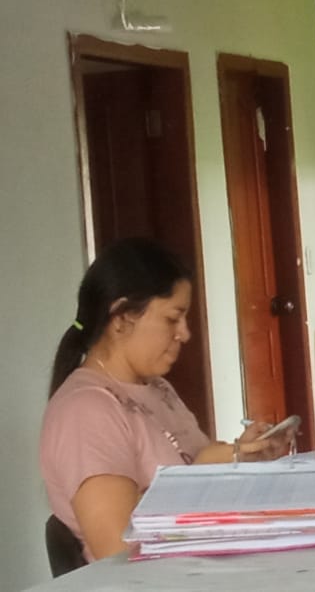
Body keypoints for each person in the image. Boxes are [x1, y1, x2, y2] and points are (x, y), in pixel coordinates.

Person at [40, 239, 290, 562]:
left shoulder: (158, 388)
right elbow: (120, 553)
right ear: (121, 317)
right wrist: (206, 469)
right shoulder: (85, 412)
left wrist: (241, 456)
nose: (184, 333)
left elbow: (192, 477)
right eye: (173, 319)